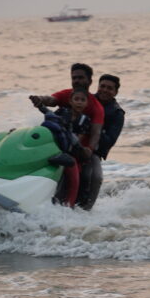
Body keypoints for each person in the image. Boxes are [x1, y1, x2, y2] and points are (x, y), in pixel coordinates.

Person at [29, 63, 104, 161]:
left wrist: (89, 150)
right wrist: (40, 99)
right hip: (55, 143)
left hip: (78, 151)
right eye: (74, 78)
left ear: (89, 81)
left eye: (81, 78)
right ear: (70, 101)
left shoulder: (96, 108)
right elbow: (51, 100)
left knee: (92, 174)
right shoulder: (65, 96)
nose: (77, 81)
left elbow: (96, 133)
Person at [76, 74, 125, 210]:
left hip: (93, 152)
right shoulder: (84, 99)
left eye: (109, 88)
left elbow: (108, 141)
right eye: (102, 86)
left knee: (95, 177)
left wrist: (94, 126)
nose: (104, 90)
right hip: (70, 144)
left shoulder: (117, 113)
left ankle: (85, 210)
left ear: (115, 92)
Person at [53, 88, 92, 207]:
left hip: (71, 154)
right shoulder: (61, 112)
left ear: (87, 103)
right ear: (70, 101)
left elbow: (78, 140)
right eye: (76, 99)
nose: (79, 102)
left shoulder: (85, 120)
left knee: (74, 180)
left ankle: (69, 205)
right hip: (53, 149)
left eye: (82, 100)